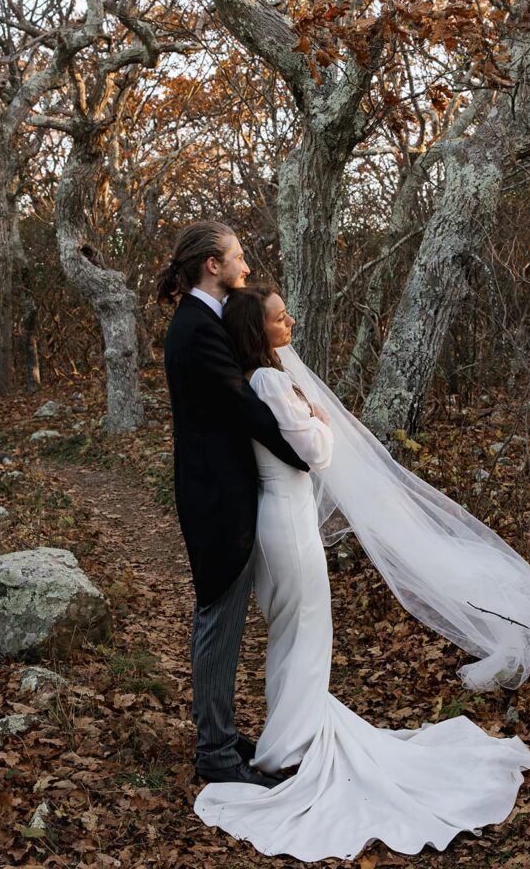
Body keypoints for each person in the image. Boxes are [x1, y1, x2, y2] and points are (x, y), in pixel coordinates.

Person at [194, 283, 530, 862]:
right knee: (307, 634)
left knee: (296, 635)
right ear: (257, 331)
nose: (289, 319)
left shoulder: (256, 380)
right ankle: (288, 753)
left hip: (278, 517)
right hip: (287, 524)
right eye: (277, 317)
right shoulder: (269, 381)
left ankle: (288, 741)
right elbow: (316, 452)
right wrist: (319, 415)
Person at [157, 223, 310, 788]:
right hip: (216, 499)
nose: (246, 268)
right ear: (211, 266)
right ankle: (215, 753)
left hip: (219, 492)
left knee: (221, 619)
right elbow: (244, 408)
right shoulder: (197, 328)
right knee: (218, 622)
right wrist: (303, 454)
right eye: (239, 258)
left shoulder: (205, 322)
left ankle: (220, 735)